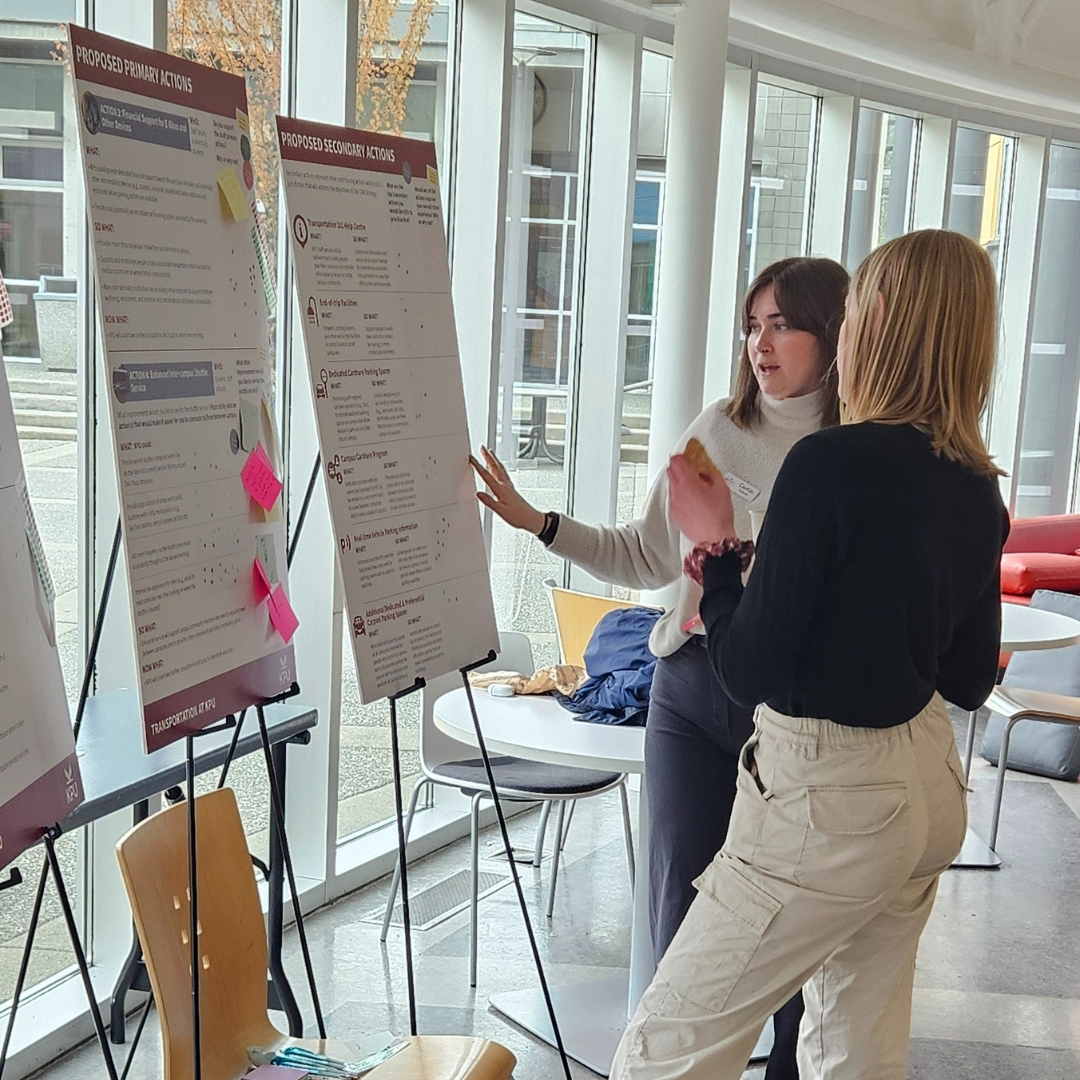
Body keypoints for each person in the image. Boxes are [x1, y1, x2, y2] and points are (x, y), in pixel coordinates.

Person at [611, 229, 1009, 1080]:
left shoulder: (828, 465)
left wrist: (718, 551)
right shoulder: (977, 484)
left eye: (852, 311)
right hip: (926, 791)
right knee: (853, 1051)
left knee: (664, 1051)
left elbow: (746, 671)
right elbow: (971, 678)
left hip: (828, 801)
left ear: (876, 324)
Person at [472, 256, 849, 1080]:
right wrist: (541, 523)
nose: (760, 344)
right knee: (678, 901)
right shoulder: (717, 428)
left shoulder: (849, 454)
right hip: (687, 687)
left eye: (783, 325)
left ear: (833, 334)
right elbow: (645, 555)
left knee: (789, 911)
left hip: (783, 705)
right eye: (752, 326)